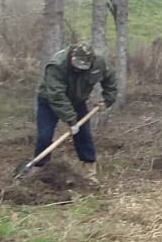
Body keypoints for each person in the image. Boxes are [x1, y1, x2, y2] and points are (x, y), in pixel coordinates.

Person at [34, 42, 117, 181]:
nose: (79, 69)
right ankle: (40, 170)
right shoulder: (57, 65)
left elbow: (110, 80)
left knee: (84, 135)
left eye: (83, 67)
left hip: (77, 101)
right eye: (77, 65)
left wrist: (108, 99)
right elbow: (57, 96)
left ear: (91, 61)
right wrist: (71, 120)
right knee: (44, 136)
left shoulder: (98, 63)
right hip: (49, 101)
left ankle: (89, 172)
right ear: (72, 56)